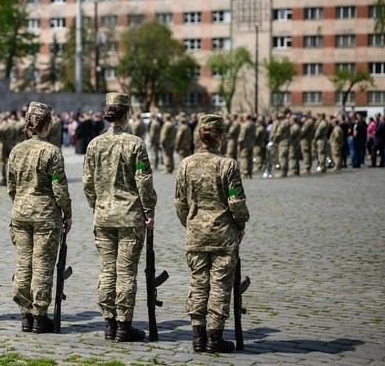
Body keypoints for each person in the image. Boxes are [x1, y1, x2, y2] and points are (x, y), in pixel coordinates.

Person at [83, 93, 157, 342]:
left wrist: (97, 204)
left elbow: (87, 182)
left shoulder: (94, 144)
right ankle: (124, 325)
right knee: (125, 272)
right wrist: (149, 211)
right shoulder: (134, 144)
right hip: (129, 216)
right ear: (126, 113)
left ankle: (109, 323)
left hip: (103, 216)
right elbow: (143, 181)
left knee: (107, 270)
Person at [174, 114, 249, 354]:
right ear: (220, 136)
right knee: (219, 285)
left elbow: (180, 202)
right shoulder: (227, 165)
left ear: (200, 135)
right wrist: (241, 224)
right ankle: (214, 337)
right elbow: (236, 202)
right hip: (222, 234)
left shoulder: (186, 164)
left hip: (196, 233)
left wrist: (191, 223)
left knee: (198, 284)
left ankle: (197, 336)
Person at [7, 101, 72, 334]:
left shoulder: (17, 150)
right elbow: (60, 188)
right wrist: (68, 213)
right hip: (45, 214)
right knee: (42, 265)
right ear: (47, 125)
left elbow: (11, 186)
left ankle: (25, 313)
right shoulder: (51, 151)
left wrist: (20, 202)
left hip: (21, 212)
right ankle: (39, 315)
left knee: (24, 263)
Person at [238, 114, 256, 179]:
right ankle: (250, 173)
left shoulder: (245, 125)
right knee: (250, 158)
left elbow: (242, 136)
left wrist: (240, 145)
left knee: (244, 158)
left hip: (245, 144)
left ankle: (245, 172)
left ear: (246, 117)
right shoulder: (253, 124)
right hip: (251, 144)